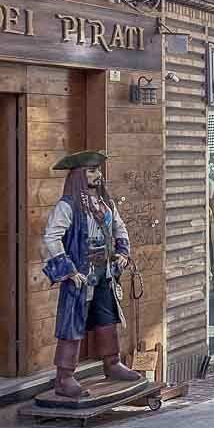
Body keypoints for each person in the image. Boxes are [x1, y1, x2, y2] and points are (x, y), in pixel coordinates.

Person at [42, 151, 142, 398]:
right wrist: (68, 268)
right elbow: (52, 237)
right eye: (92, 171)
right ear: (79, 175)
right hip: (81, 275)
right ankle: (64, 377)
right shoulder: (68, 205)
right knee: (72, 324)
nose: (98, 175)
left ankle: (112, 363)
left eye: (98, 170)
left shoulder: (106, 203)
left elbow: (120, 228)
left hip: (105, 272)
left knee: (107, 317)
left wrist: (122, 252)